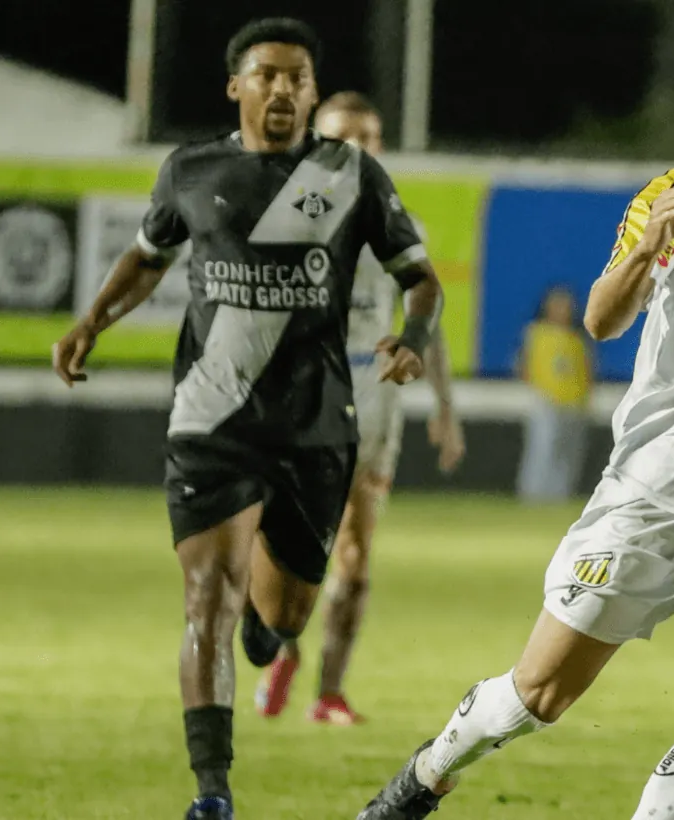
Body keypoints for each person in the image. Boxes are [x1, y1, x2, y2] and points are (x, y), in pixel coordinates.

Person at [355, 13, 674, 820]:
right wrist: (642, 255)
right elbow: (600, 319)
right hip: (659, 492)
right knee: (538, 695)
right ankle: (427, 774)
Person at [50, 18, 444, 820]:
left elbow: (422, 277)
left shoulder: (349, 174)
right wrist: (93, 319)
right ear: (237, 86)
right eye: (266, 74)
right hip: (211, 419)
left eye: (297, 77)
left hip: (314, 427)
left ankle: (271, 640)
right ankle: (213, 792)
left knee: (282, 613)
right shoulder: (192, 169)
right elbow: (146, 256)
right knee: (207, 596)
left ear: (311, 92)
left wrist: (415, 338)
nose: (283, 89)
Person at [253, 91, 467, 727]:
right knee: (293, 547)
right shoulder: (285, 220)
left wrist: (445, 408)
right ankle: (285, 647)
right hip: (304, 400)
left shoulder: (401, 225)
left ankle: (330, 693)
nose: (361, 150)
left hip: (377, 401)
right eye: (345, 138)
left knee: (356, 549)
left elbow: (429, 318)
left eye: (371, 138)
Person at [515, 284, 593, 503]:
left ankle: (559, 496)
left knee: (568, 453)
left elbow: (586, 369)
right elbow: (524, 364)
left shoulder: (577, 338)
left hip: (575, 402)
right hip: (546, 400)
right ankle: (533, 495)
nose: (563, 310)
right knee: (542, 450)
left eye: (567, 305)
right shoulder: (536, 332)